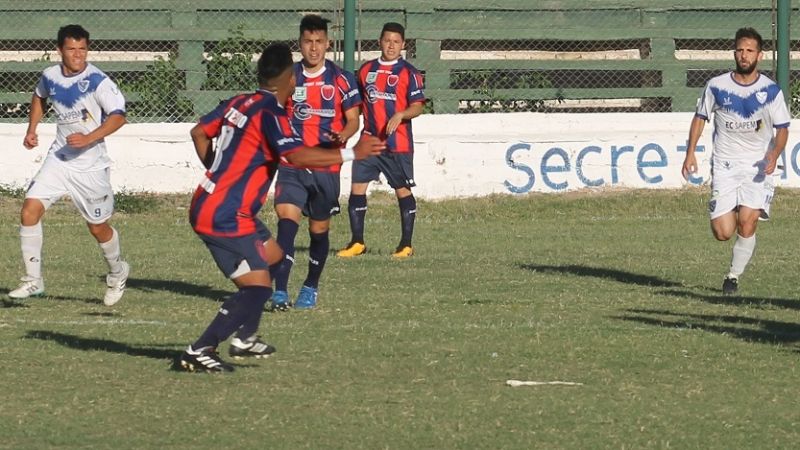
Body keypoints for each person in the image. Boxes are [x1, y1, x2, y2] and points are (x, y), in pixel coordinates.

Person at [180, 43, 383, 373]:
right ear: (289, 79)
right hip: (225, 213)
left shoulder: (239, 102)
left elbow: (199, 132)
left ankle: (245, 336)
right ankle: (200, 348)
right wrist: (352, 154)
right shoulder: (270, 114)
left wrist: (215, 169)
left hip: (215, 202)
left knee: (273, 258)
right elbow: (299, 157)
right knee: (258, 286)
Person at [8, 24, 130, 306]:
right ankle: (33, 280)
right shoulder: (50, 76)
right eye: (72, 49)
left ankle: (117, 271)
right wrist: (32, 129)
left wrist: (89, 137)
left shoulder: (98, 80)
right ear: (60, 50)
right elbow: (39, 96)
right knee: (29, 210)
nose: (78, 55)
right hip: (59, 158)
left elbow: (118, 116)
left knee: (98, 228)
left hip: (90, 166)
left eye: (83, 49)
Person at [682, 27, 790, 296]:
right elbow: (700, 118)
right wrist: (690, 152)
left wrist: (774, 155)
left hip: (757, 167)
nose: (744, 55)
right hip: (725, 166)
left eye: (750, 50)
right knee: (722, 232)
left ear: (759, 55)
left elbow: (783, 129)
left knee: (748, 222)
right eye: (740, 50)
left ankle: (733, 277)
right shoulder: (716, 86)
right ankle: (734, 206)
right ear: (734, 52)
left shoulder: (771, 91)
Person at [269, 14, 362, 311]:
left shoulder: (342, 79)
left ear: (327, 44)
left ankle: (310, 286)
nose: (313, 48)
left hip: (326, 167)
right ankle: (280, 291)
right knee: (286, 223)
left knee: (319, 231)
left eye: (319, 42)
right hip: (293, 165)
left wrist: (342, 135)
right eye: (308, 42)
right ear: (299, 44)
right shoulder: (287, 76)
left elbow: (353, 121)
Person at [337, 22, 426, 259]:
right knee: (357, 186)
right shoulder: (366, 70)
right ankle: (357, 242)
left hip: (398, 144)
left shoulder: (410, 73)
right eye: (387, 41)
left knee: (402, 191)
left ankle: (406, 245)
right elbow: (355, 103)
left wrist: (401, 114)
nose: (391, 46)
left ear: (403, 45)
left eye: (396, 42)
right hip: (369, 140)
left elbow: (417, 107)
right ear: (380, 41)